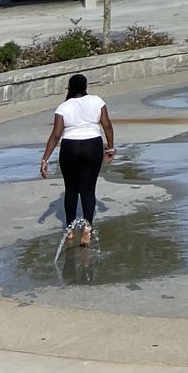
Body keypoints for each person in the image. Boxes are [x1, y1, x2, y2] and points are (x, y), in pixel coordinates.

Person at [39, 73, 115, 247]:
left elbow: (56, 134)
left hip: (70, 148)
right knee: (88, 190)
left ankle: (70, 229)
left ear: (69, 88)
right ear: (86, 86)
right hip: (92, 146)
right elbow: (107, 125)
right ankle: (87, 230)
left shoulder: (63, 107)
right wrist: (110, 147)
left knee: (71, 190)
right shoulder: (97, 101)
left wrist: (45, 159)